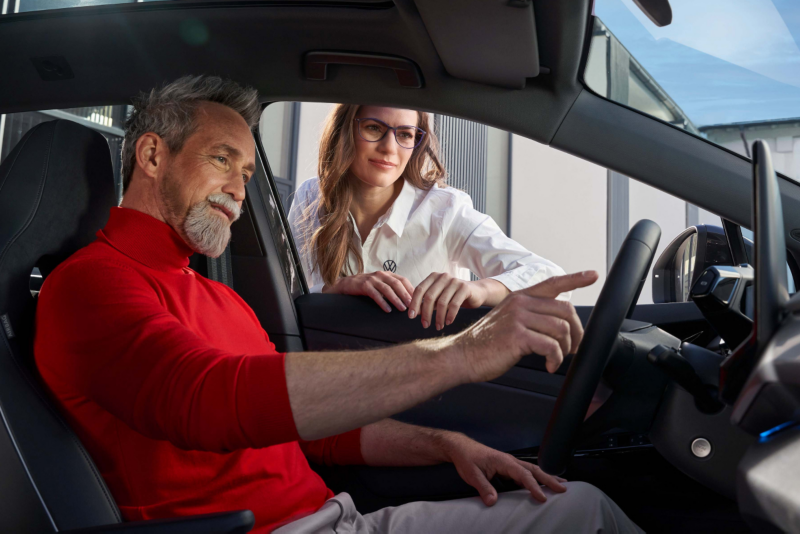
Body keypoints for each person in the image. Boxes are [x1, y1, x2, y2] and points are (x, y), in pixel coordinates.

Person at [34, 75, 642, 534]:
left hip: (331, 515)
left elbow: (312, 434)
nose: (238, 189)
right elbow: (206, 400)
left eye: (246, 173)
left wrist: (440, 443)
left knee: (582, 506)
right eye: (222, 159)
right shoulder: (89, 284)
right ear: (150, 155)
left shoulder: (217, 295)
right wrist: (460, 353)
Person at [288, 105, 567, 331]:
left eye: (406, 134)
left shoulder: (445, 209)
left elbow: (554, 281)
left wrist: (479, 289)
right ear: (345, 130)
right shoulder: (310, 196)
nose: (389, 147)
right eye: (374, 128)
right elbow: (280, 297)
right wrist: (333, 289)